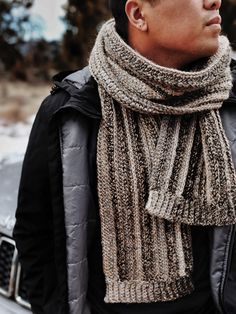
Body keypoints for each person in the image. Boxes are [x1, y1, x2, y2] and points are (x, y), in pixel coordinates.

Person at [13, 0, 236, 313]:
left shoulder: (231, 102)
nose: (214, 1)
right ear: (138, 14)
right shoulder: (71, 109)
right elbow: (35, 235)